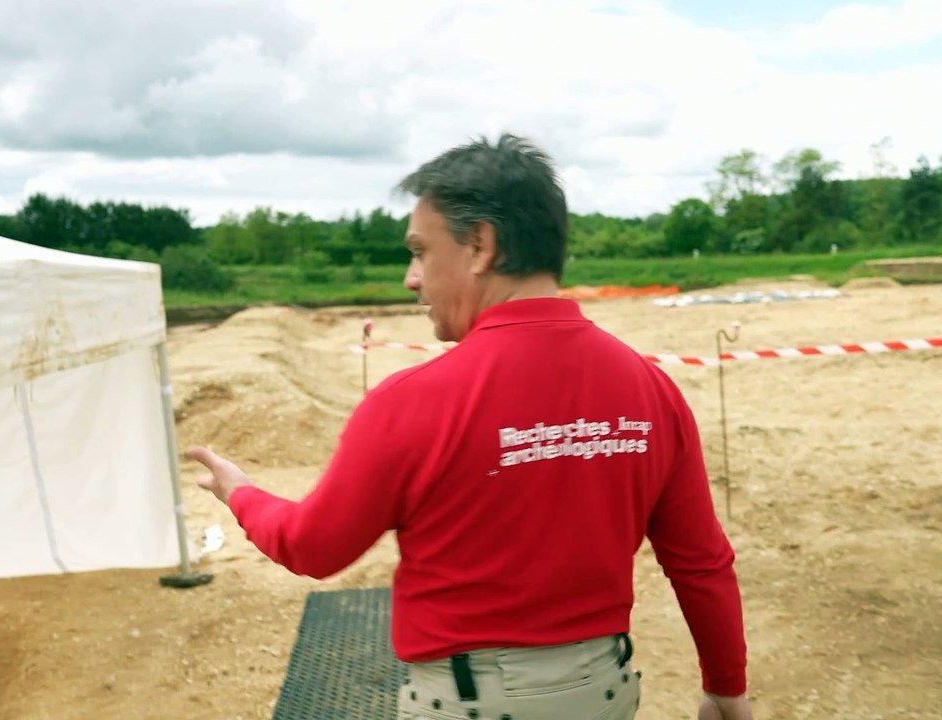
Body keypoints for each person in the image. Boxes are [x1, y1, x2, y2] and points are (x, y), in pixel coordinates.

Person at [187, 133, 753, 720]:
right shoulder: (650, 387)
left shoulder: (410, 402)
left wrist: (241, 492)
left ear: (480, 244)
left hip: (469, 705)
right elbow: (700, 561)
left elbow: (313, 545)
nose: (412, 278)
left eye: (420, 252)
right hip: (604, 694)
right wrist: (726, 689)